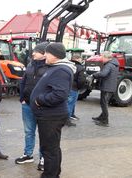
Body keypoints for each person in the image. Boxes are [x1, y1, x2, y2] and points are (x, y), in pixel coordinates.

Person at [30, 42, 76, 178]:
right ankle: (54, 173)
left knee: (49, 149)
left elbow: (60, 94)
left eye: (47, 53)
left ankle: (50, 175)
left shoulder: (61, 70)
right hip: (49, 115)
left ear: (55, 55)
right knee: (52, 148)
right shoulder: (56, 67)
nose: (45, 56)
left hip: (51, 117)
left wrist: (40, 100)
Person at [15, 42, 49, 171]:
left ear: (44, 53)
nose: (33, 53)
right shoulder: (30, 64)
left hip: (42, 107)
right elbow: (23, 81)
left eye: (36, 51)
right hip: (27, 105)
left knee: (43, 133)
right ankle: (28, 155)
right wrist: (22, 98)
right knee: (29, 132)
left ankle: (43, 158)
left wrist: (43, 101)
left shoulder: (50, 67)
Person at [92, 51, 119, 127]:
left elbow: (104, 74)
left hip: (107, 87)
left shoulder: (109, 65)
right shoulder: (114, 64)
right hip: (110, 87)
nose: (101, 59)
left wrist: (95, 74)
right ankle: (101, 117)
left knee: (104, 104)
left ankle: (105, 121)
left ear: (107, 57)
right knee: (103, 103)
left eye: (103, 57)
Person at [66, 54, 87, 126]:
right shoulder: (80, 68)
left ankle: (71, 115)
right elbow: (81, 80)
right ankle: (67, 120)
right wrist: (79, 87)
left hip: (67, 87)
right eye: (81, 59)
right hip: (74, 88)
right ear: (78, 59)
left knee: (69, 103)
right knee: (70, 104)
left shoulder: (68, 65)